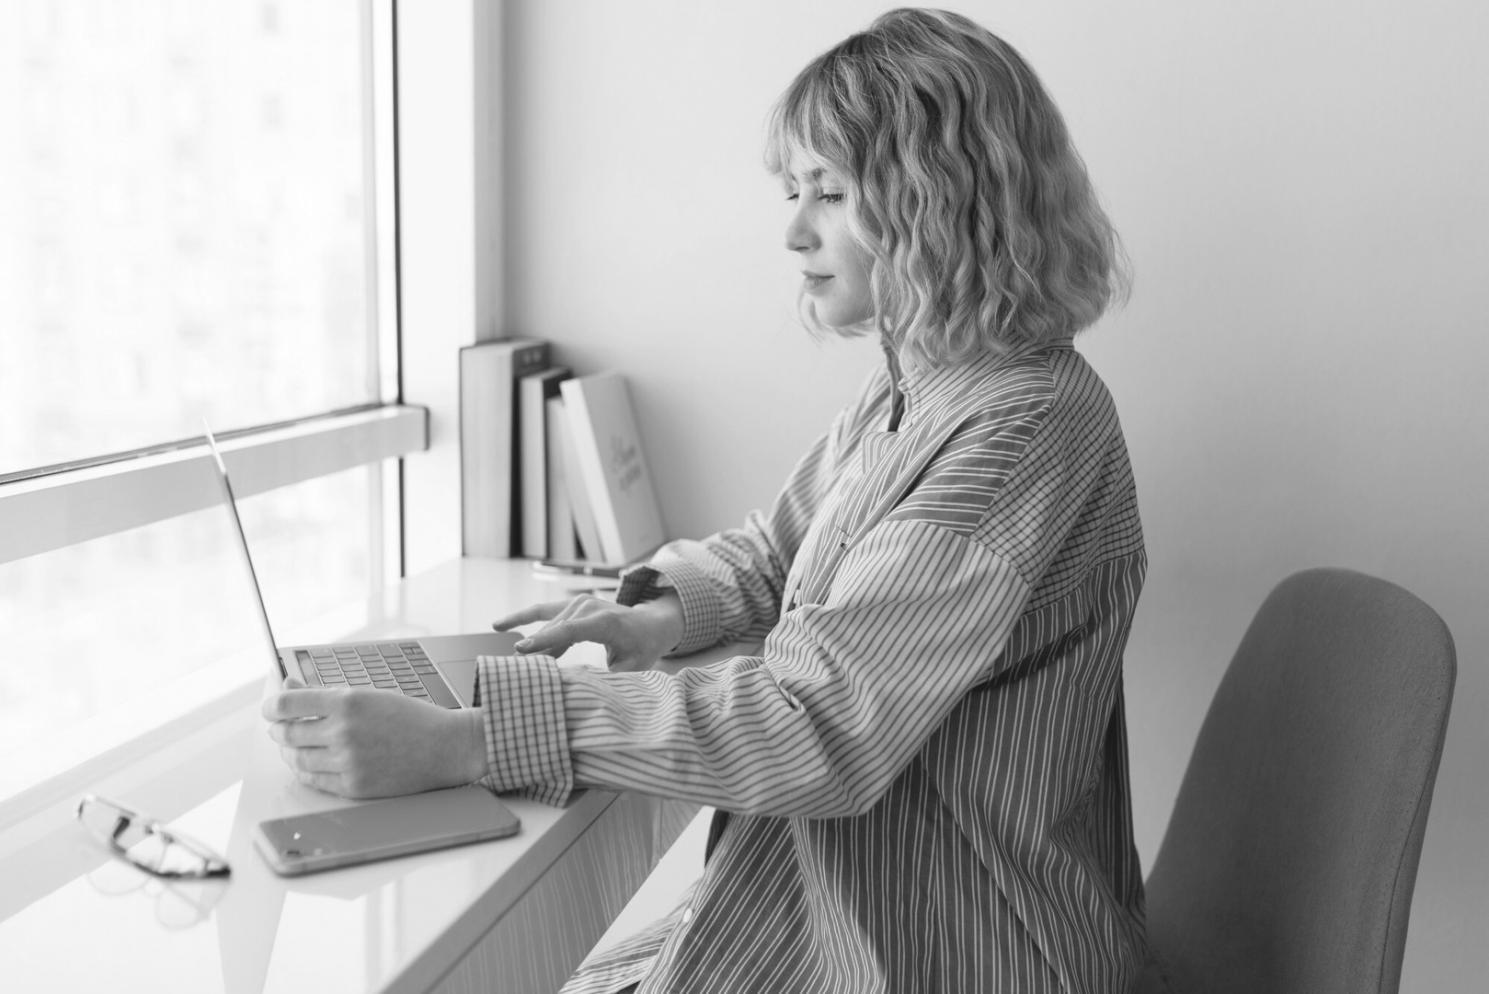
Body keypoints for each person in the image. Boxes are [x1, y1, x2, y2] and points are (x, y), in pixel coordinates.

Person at [264, 8, 1150, 991]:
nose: (794, 230)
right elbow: (778, 556)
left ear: (937, 202)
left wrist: (472, 739)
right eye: (793, 191)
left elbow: (820, 729)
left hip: (933, 952)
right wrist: (651, 615)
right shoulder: (922, 387)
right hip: (816, 909)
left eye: (829, 192)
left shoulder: (1015, 432)